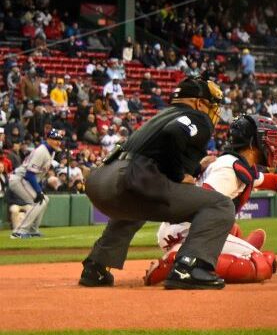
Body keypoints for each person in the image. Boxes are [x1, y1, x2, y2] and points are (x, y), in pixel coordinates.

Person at [77, 76, 234, 289]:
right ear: (198, 102)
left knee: (138, 205)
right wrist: (179, 175)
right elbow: (174, 134)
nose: (213, 111)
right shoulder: (197, 117)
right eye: (211, 104)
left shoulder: (161, 115)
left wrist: (196, 168)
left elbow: (160, 153)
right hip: (131, 177)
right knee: (220, 205)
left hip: (102, 180)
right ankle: (189, 268)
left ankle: (96, 266)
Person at [143, 116, 277, 285]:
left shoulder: (236, 163)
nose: (275, 145)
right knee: (264, 264)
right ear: (253, 142)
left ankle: (234, 247)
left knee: (232, 229)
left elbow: (271, 181)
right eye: (270, 138)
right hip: (188, 231)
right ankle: (178, 262)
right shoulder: (229, 169)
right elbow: (202, 205)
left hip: (181, 228)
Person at [6, 127, 63, 238]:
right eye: (55, 138)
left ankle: (32, 230)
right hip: (19, 179)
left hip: (25, 180)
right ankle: (19, 231)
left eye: (59, 139)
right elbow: (29, 174)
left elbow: (38, 175)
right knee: (38, 201)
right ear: (48, 139)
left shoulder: (51, 152)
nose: (58, 142)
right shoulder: (42, 151)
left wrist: (39, 191)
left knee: (44, 200)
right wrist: (38, 192)